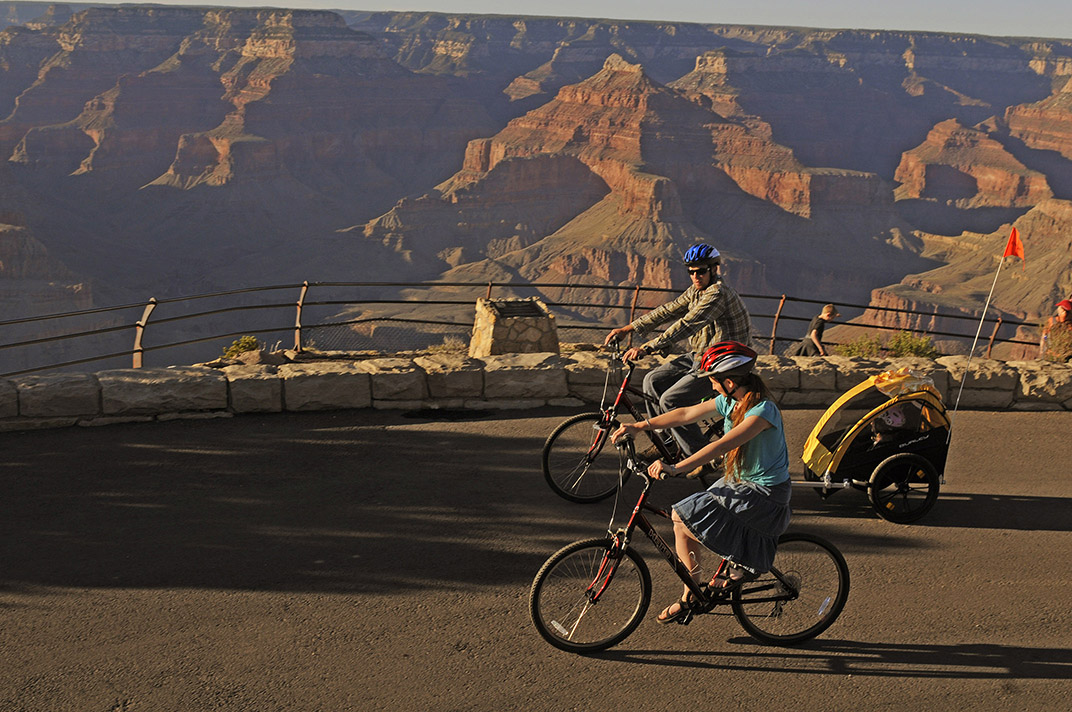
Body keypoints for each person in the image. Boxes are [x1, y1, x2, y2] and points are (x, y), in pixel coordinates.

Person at [610, 341, 791, 625]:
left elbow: (722, 445)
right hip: (738, 484)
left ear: (729, 381)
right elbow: (683, 414)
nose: (712, 387)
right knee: (680, 519)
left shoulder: (762, 412)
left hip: (764, 494)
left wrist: (675, 467)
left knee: (684, 514)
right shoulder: (730, 400)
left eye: (714, 382)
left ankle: (738, 568)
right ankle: (691, 594)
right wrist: (639, 426)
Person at [603, 243, 753, 461]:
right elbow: (668, 310)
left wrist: (647, 348)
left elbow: (687, 324)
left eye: (700, 271)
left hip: (724, 364)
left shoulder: (718, 294)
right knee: (652, 381)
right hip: (700, 355)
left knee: (671, 400)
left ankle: (700, 458)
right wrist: (629, 328)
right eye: (690, 271)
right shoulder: (695, 291)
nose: (695, 276)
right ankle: (668, 443)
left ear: (713, 269)